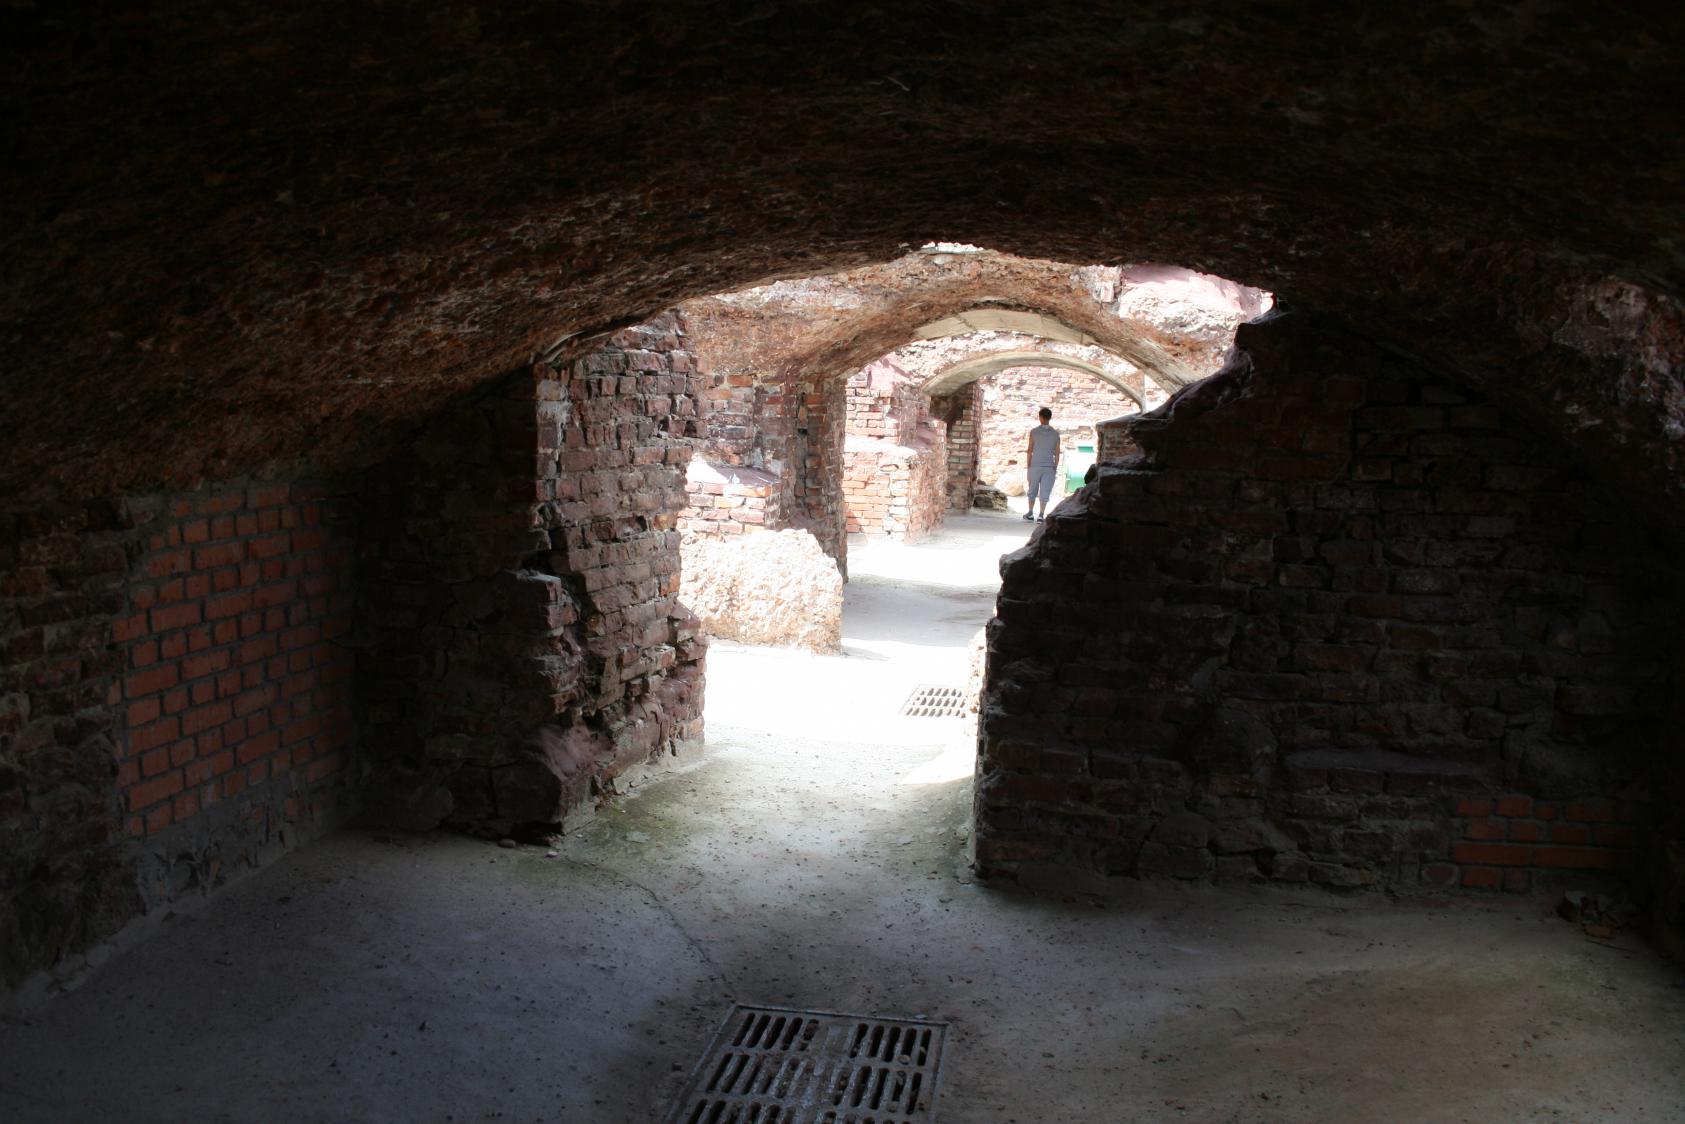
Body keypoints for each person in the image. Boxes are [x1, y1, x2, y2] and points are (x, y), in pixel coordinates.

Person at [1023, 406, 1060, 523]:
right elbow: (1057, 453)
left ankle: (1030, 513)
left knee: (1032, 490)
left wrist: (1028, 465)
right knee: (1045, 491)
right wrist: (1055, 466)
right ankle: (1041, 515)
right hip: (1049, 466)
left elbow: (1030, 450)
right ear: (1050, 418)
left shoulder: (1034, 432)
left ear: (1040, 417)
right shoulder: (1055, 434)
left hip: (1035, 465)